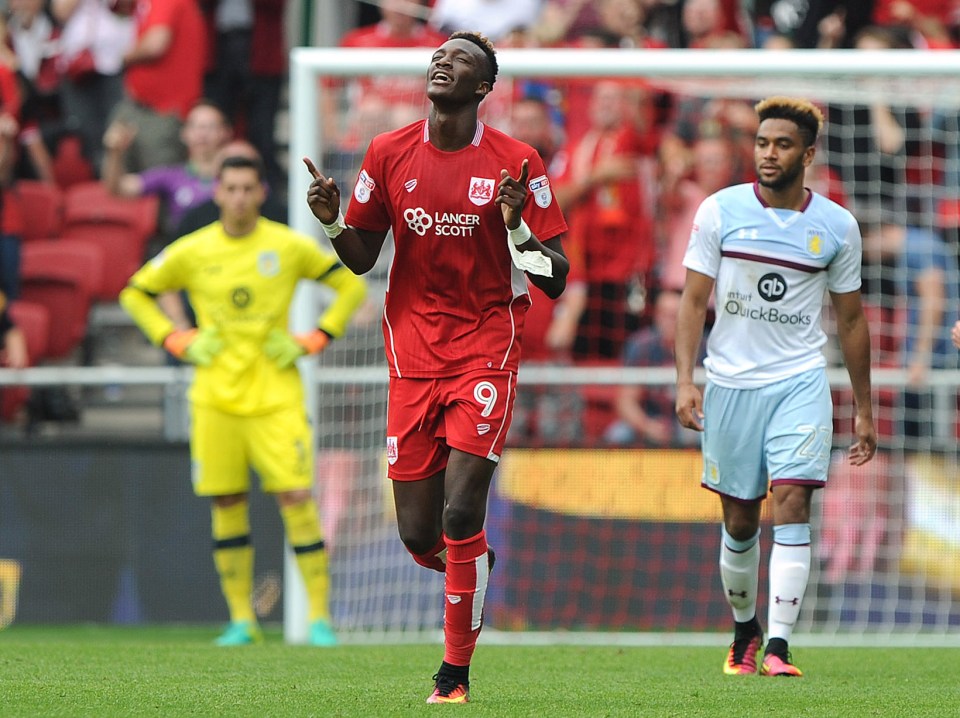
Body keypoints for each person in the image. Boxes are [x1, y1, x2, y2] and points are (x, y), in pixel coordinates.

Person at [304, 31, 569, 703]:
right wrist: (335, 225)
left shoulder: (516, 161)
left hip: (485, 347)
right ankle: (469, 565)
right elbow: (364, 258)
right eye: (436, 57)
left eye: (459, 61)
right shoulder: (388, 151)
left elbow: (557, 278)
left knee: (459, 510)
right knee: (419, 534)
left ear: (483, 88)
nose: (441, 63)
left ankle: (453, 676)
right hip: (412, 356)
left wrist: (515, 228)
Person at [119, 154, 367, 647]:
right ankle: (241, 621)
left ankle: (319, 620)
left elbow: (348, 284)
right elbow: (135, 293)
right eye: (229, 188)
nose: (237, 197)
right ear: (217, 192)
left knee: (296, 498)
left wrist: (314, 338)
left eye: (246, 188)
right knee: (226, 500)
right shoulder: (191, 250)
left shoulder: (287, 245)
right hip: (214, 396)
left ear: (260, 193)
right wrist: (176, 339)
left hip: (276, 394)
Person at [674, 96, 877, 677]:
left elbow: (853, 320)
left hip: (800, 381)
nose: (769, 154)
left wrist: (864, 408)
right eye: (763, 143)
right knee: (739, 520)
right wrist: (686, 380)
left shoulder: (837, 226)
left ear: (808, 153)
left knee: (793, 501)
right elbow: (692, 302)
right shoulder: (720, 211)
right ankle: (745, 629)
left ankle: (781, 646)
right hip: (731, 384)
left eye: (782, 144)